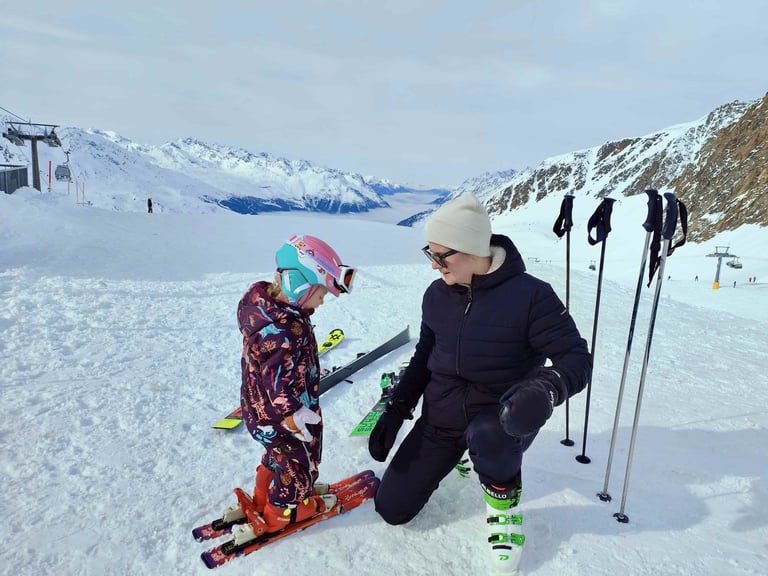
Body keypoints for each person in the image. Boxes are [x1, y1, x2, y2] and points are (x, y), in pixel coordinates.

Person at [368, 194, 592, 575]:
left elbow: (577, 358)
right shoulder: (436, 296)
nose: (435, 265)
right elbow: (425, 356)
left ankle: (503, 506)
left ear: (472, 249)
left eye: (442, 256)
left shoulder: (531, 296)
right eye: (431, 254)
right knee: (391, 510)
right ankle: (458, 457)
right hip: (440, 419)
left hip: (502, 419)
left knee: (487, 433)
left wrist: (546, 389)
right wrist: (396, 409)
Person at [232, 234, 356, 540]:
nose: (323, 301)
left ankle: (263, 496)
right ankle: (280, 513)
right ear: (300, 285)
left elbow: (276, 370)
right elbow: (275, 381)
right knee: (297, 468)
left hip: (263, 414)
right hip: (282, 416)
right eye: (321, 293)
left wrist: (306, 369)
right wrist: (293, 413)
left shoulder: (274, 315)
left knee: (278, 456)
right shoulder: (283, 329)